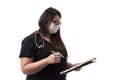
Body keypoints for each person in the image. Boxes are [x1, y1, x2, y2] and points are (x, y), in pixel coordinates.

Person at [19, 7, 80, 80]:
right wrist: (46, 61)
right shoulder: (31, 40)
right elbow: (25, 69)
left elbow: (59, 61)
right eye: (55, 22)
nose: (57, 25)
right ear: (45, 21)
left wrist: (71, 66)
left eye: (59, 23)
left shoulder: (56, 41)